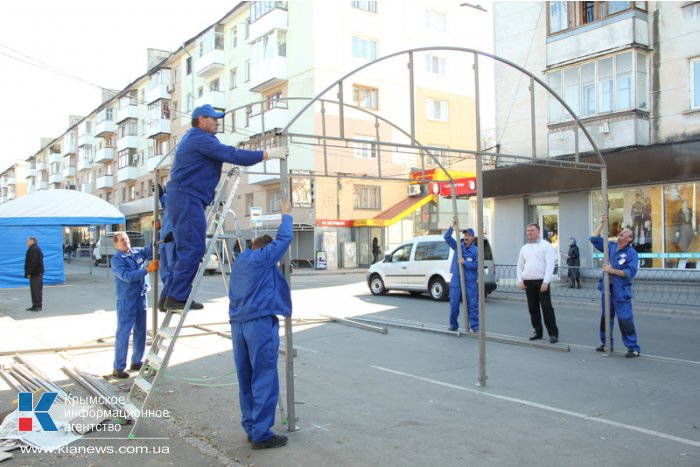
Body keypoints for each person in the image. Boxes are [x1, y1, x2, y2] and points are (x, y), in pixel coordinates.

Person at [164, 104, 288, 310]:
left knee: (184, 248)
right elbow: (233, 155)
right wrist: (268, 154)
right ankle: (176, 297)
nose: (217, 122)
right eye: (214, 118)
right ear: (201, 120)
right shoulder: (200, 138)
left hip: (185, 197)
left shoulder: (193, 137)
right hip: (187, 197)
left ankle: (168, 296)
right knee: (193, 249)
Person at [228, 200, 293, 450]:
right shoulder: (262, 258)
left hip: (238, 326)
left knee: (246, 378)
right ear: (264, 250)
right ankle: (262, 434)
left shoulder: (241, 260)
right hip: (258, 325)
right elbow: (284, 239)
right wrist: (285, 215)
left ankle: (251, 427)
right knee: (264, 377)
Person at [589, 215, 641, 358]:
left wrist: (612, 271)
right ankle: (607, 344)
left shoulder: (631, 253)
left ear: (629, 239)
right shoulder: (611, 246)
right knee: (606, 318)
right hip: (608, 290)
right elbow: (594, 239)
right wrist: (601, 224)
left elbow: (630, 272)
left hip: (621, 292)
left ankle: (633, 347)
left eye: (624, 233)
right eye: (621, 231)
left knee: (625, 320)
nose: (621, 233)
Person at [111, 231, 159, 378]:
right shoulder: (117, 260)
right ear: (116, 244)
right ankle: (118, 367)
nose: (126, 242)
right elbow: (127, 277)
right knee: (124, 332)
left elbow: (152, 248)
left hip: (141, 296)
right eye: (122, 240)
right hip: (127, 299)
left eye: (126, 239)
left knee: (141, 330)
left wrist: (156, 231)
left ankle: (137, 361)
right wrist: (147, 270)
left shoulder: (136, 253)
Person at [517, 223, 559, 343]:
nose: (529, 232)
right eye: (528, 230)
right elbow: (519, 266)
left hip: (541, 282)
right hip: (528, 282)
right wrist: (520, 280)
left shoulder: (546, 246)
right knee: (533, 309)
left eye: (532, 230)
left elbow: (550, 265)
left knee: (546, 308)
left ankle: (553, 334)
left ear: (538, 232)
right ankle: (538, 331)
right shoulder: (524, 248)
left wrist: (546, 282)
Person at [443, 220, 479, 332]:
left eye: (469, 235)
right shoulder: (458, 246)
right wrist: (452, 225)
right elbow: (447, 237)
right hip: (457, 280)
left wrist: (465, 262)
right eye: (465, 235)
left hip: (470, 281)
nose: (466, 237)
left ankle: (475, 327)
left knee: (472, 306)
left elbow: (477, 265)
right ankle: (453, 325)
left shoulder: (476, 251)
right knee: (454, 304)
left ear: (473, 238)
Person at [157, 186, 175, 312]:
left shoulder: (182, 199)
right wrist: (160, 195)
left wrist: (175, 232)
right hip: (163, 240)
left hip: (173, 239)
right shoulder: (170, 200)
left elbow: (187, 217)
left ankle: (167, 297)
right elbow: (165, 204)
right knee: (164, 271)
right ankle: (167, 296)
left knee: (172, 271)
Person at [24, 236, 44, 312]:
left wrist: (29, 273)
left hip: (35, 274)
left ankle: (38, 306)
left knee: (36, 290)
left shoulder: (34, 249)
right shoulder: (34, 248)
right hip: (36, 273)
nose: (27, 243)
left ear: (32, 241)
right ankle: (35, 305)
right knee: (35, 290)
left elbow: (33, 262)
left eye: (28, 241)